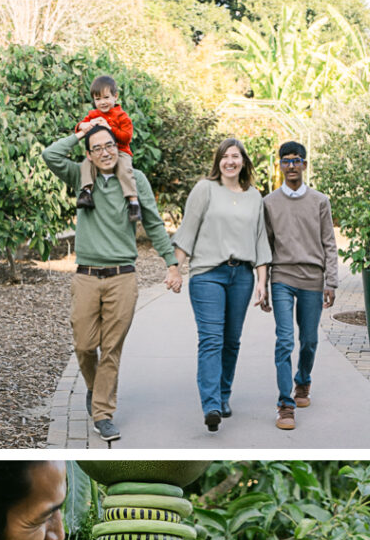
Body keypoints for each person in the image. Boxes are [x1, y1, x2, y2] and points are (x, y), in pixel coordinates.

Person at [42, 124, 182, 442]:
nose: (105, 152)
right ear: (89, 154)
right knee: (83, 345)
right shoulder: (81, 176)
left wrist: (171, 264)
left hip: (122, 276)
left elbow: (154, 222)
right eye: (97, 148)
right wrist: (81, 132)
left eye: (110, 146)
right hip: (87, 276)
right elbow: (50, 155)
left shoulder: (135, 180)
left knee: (111, 349)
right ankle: (95, 388)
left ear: (117, 148)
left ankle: (103, 413)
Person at [172, 138, 271, 432]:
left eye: (236, 156)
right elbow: (187, 230)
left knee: (231, 340)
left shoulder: (255, 196)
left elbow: (260, 240)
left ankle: (224, 395)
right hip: (207, 274)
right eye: (225, 156)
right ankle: (211, 403)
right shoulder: (205, 189)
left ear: (244, 162)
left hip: (241, 276)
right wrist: (174, 268)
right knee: (212, 339)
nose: (230, 161)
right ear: (218, 161)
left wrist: (262, 282)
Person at [262, 141, 338, 431]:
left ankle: (302, 382)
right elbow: (265, 246)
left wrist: (331, 280)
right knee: (284, 340)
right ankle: (285, 404)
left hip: (312, 280)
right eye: (285, 161)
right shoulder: (269, 203)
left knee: (309, 340)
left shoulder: (320, 201)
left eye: (296, 161)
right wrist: (264, 286)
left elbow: (329, 242)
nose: (291, 166)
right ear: (279, 166)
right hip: (282, 277)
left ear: (305, 165)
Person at [74, 73, 141, 223]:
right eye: (98, 99)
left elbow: (126, 137)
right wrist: (82, 126)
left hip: (120, 151)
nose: (102, 102)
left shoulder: (122, 117)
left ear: (115, 96)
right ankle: (86, 192)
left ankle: (133, 202)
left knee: (125, 169)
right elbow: (80, 128)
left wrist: (109, 128)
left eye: (106, 98)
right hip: (99, 153)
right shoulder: (93, 115)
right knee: (86, 163)